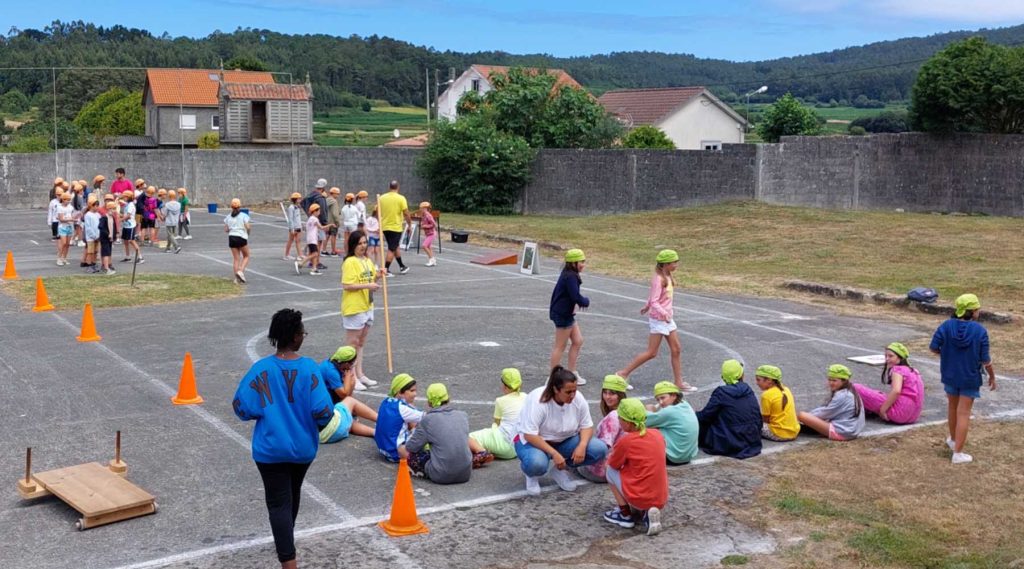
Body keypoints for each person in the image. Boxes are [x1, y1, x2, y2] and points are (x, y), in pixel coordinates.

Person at [232, 308, 334, 569]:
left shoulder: (261, 369)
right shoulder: (310, 369)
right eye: (302, 332)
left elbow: (241, 407)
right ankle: (286, 544)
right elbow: (324, 411)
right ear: (295, 337)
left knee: (278, 501)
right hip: (302, 448)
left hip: (270, 449)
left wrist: (266, 410)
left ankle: (287, 554)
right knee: (292, 493)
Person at [515, 366, 608, 495]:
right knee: (536, 463)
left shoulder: (578, 399)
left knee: (599, 449)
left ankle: (561, 470)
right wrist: (554, 454)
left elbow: (586, 425)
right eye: (568, 392)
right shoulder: (538, 401)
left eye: (574, 391)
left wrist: (582, 445)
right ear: (555, 390)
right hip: (536, 442)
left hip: (565, 440)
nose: (573, 395)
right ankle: (531, 474)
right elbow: (530, 434)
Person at [617, 250, 697, 392]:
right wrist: (661, 312)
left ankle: (678, 382)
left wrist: (648, 307)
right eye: (674, 262)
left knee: (676, 349)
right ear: (666, 264)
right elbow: (655, 300)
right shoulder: (658, 279)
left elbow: (654, 298)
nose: (676, 265)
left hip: (667, 319)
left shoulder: (667, 276)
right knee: (652, 352)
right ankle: (622, 374)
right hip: (659, 320)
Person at [930, 294, 996, 464]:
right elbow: (985, 359)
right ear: (973, 311)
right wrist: (992, 376)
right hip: (970, 377)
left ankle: (953, 440)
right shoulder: (980, 331)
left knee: (952, 408)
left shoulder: (946, 326)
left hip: (950, 375)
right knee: (964, 413)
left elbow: (934, 348)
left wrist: (947, 354)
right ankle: (958, 453)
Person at [602, 398, 668, 536]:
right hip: (660, 497)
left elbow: (614, 464)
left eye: (620, 418)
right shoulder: (657, 434)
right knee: (643, 471)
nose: (619, 421)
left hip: (638, 495)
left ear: (627, 422)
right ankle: (647, 512)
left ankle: (624, 514)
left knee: (609, 470)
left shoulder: (626, 441)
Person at [402, 383, 476, 483]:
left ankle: (421, 471)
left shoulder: (428, 420)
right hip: (466, 473)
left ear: (429, 402)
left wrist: (414, 430)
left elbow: (411, 447)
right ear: (448, 398)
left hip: (441, 475)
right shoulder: (463, 415)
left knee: (412, 456)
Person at [696, 359, 762, 459]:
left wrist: (692, 415)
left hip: (729, 441)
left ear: (723, 376)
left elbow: (705, 416)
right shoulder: (747, 389)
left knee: (700, 422)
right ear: (741, 375)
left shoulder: (721, 392)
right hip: (752, 438)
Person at [340, 231, 380, 389]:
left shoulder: (367, 261)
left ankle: (360, 374)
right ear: (353, 245)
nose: (363, 246)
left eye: (365, 243)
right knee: (352, 344)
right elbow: (347, 285)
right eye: (360, 243)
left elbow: (370, 280)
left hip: (367, 305)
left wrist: (377, 276)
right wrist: (368, 285)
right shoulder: (350, 262)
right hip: (354, 307)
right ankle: (350, 377)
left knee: (361, 342)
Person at [852, 342, 924, 425]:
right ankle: (868, 410)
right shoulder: (914, 371)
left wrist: (883, 410)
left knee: (856, 387)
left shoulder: (898, 370)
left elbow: (896, 391)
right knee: (879, 394)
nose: (887, 359)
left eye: (891, 356)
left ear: (900, 357)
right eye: (886, 356)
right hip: (913, 416)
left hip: (900, 413)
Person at [317, 346, 378, 443]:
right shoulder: (331, 371)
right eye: (352, 364)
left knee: (348, 421)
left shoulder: (334, 364)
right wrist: (349, 380)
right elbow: (344, 395)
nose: (351, 367)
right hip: (329, 412)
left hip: (325, 432)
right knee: (350, 401)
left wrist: (351, 383)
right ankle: (381, 419)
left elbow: (346, 394)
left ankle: (376, 432)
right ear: (346, 363)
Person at [549, 249, 590, 385]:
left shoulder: (570, 274)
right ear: (573, 262)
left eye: (584, 261)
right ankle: (553, 378)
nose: (583, 264)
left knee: (578, 341)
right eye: (581, 262)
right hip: (563, 314)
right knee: (560, 346)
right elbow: (575, 296)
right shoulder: (570, 276)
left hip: (567, 313)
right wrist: (585, 301)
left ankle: (572, 373)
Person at [578, 375, 628, 483]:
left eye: (612, 393)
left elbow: (603, 449)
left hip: (602, 472)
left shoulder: (612, 418)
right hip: (621, 468)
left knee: (576, 441)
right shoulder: (628, 412)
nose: (607, 397)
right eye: (605, 393)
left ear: (620, 395)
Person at [469, 368, 528, 460]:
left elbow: (497, 422)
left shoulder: (500, 401)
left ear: (504, 386)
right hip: (521, 445)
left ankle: (482, 452)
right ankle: (488, 451)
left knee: (469, 438)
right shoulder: (526, 396)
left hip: (505, 444)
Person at [797, 364, 866, 442]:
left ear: (844, 381)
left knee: (802, 415)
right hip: (850, 430)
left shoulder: (843, 395)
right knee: (809, 417)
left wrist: (806, 417)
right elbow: (826, 409)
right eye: (829, 380)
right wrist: (811, 415)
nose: (831, 383)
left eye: (834, 380)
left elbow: (826, 413)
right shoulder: (849, 390)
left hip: (844, 432)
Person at [645, 381, 700, 465]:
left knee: (647, 429)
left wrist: (649, 409)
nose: (660, 402)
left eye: (663, 398)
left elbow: (645, 421)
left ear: (674, 395)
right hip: (689, 456)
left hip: (674, 457)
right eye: (658, 399)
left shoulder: (669, 411)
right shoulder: (685, 404)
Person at [374, 373, 424, 462]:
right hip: (397, 453)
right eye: (412, 391)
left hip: (383, 449)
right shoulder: (402, 408)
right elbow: (428, 418)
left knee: (408, 413)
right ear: (400, 392)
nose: (415, 394)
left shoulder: (385, 402)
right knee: (426, 427)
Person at [754, 365, 799, 442]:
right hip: (794, 432)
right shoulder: (786, 389)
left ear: (769, 380)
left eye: (758, 380)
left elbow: (766, 420)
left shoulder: (766, 395)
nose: (756, 383)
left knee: (752, 423)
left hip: (779, 434)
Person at [377, 180, 412, 276]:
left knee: (395, 246)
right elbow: (406, 213)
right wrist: (409, 224)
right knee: (392, 248)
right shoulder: (401, 198)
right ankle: (386, 269)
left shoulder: (382, 198)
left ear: (389, 187)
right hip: (395, 227)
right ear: (398, 187)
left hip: (385, 226)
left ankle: (402, 266)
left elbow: (377, 211)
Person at [295, 203, 332, 276]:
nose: (319, 212)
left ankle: (314, 268)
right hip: (313, 239)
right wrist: (330, 225)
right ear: (314, 211)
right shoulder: (314, 219)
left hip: (310, 239)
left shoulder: (310, 219)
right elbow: (321, 227)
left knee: (314, 254)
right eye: (318, 211)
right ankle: (301, 262)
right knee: (315, 253)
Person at [224, 198, 252, 283]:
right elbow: (248, 227)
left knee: (236, 259)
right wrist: (248, 233)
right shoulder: (244, 216)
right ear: (239, 206)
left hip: (232, 237)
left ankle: (236, 279)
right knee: (246, 256)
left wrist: (232, 228)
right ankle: (240, 271)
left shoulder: (228, 217)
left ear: (231, 207)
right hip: (241, 237)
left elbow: (226, 229)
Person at [119, 190, 143, 263]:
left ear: (128, 197)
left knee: (131, 241)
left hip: (130, 226)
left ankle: (140, 257)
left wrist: (120, 220)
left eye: (125, 197)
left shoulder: (131, 205)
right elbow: (125, 214)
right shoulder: (127, 204)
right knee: (125, 241)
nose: (124, 198)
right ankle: (128, 256)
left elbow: (128, 216)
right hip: (126, 226)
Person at [159, 190, 182, 254]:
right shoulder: (179, 204)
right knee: (171, 235)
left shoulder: (167, 205)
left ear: (169, 196)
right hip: (175, 221)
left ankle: (176, 246)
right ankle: (168, 248)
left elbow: (165, 214)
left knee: (170, 235)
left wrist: (161, 216)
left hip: (169, 221)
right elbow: (179, 213)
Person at [55, 192, 75, 266]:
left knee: (67, 244)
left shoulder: (70, 207)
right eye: (67, 200)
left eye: (69, 200)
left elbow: (72, 216)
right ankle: (59, 258)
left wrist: (73, 219)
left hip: (69, 226)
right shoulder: (60, 207)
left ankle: (64, 258)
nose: (69, 201)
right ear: (63, 200)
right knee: (63, 243)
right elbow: (61, 219)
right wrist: (71, 219)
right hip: (62, 227)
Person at [98, 197, 116, 275]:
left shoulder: (112, 217)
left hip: (110, 238)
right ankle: (106, 268)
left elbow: (114, 227)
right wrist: (107, 234)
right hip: (105, 238)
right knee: (105, 253)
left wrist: (114, 236)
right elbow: (100, 227)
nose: (114, 211)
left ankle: (105, 266)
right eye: (113, 209)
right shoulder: (104, 217)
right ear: (109, 209)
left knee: (108, 253)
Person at [82, 199, 101, 272]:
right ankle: (89, 265)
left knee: (95, 251)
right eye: (96, 206)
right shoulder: (88, 215)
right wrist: (94, 236)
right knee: (90, 252)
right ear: (91, 206)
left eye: (97, 206)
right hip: (90, 238)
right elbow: (88, 227)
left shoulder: (98, 214)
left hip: (97, 236)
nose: (97, 207)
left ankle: (94, 264)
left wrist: (98, 235)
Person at [284, 192, 304, 261]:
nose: (300, 200)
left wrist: (300, 226)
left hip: (298, 226)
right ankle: (286, 255)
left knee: (298, 241)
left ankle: (300, 254)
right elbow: (290, 219)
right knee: (290, 240)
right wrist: (291, 228)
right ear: (295, 199)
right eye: (299, 199)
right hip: (293, 227)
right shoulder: (291, 208)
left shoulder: (298, 207)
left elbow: (298, 218)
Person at [418, 201, 437, 267]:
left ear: (426, 208)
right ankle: (432, 260)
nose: (420, 209)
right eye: (420, 208)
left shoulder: (428, 215)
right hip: (428, 234)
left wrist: (425, 226)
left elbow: (434, 224)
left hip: (432, 233)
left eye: (422, 208)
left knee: (424, 246)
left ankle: (432, 259)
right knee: (429, 247)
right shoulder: (424, 215)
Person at [325, 188, 341, 256]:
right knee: (333, 236)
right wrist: (337, 222)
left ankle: (323, 250)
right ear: (333, 193)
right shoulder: (334, 201)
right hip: (333, 222)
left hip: (327, 221)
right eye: (337, 194)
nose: (338, 195)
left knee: (327, 235)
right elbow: (335, 213)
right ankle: (333, 251)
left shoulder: (326, 200)